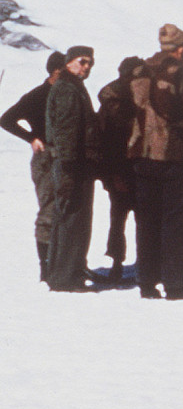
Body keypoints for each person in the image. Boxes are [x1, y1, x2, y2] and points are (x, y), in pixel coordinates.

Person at [128, 24, 183, 299]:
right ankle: (177, 284)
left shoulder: (139, 71)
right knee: (175, 221)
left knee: (146, 220)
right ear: (181, 49)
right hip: (173, 157)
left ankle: (146, 281)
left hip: (141, 156)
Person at [2, 51, 64, 280]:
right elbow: (6, 120)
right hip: (45, 157)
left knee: (64, 210)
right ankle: (46, 268)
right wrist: (32, 138)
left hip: (63, 157)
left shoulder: (66, 93)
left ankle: (61, 263)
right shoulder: (38, 95)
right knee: (49, 209)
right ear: (56, 71)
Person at [43, 46, 96, 291]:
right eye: (82, 62)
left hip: (75, 165)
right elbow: (65, 131)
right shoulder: (67, 88)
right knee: (70, 219)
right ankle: (64, 278)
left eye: (90, 63)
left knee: (71, 219)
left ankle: (67, 273)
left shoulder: (72, 86)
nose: (86, 67)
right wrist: (68, 167)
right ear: (69, 62)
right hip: (71, 166)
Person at [91, 56, 143, 283]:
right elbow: (109, 143)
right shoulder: (122, 104)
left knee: (119, 219)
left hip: (122, 171)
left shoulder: (115, 101)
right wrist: (115, 175)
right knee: (136, 219)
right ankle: (127, 264)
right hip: (125, 170)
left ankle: (118, 265)